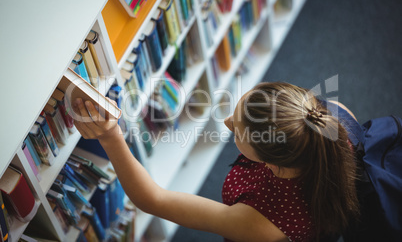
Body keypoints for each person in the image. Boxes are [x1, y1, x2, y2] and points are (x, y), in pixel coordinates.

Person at [72, 82, 359, 242]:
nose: (225, 121)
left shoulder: (258, 224)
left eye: (236, 128)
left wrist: (111, 138)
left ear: (269, 160)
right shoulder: (327, 122)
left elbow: (153, 200)